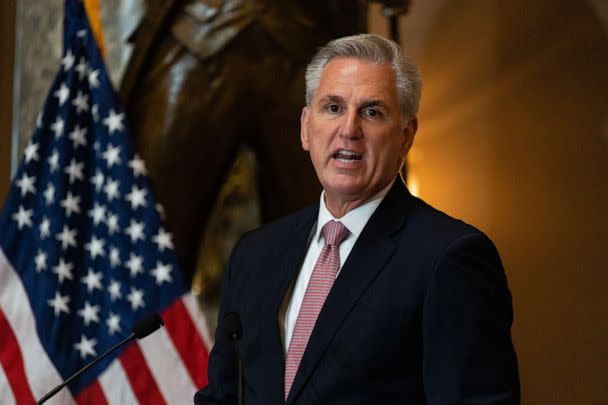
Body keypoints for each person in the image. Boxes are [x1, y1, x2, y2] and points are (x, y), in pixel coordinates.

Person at [194, 33, 520, 404]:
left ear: (406, 136)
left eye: (372, 112)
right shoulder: (255, 253)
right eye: (332, 107)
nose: (349, 129)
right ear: (305, 127)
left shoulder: (450, 258)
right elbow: (222, 396)